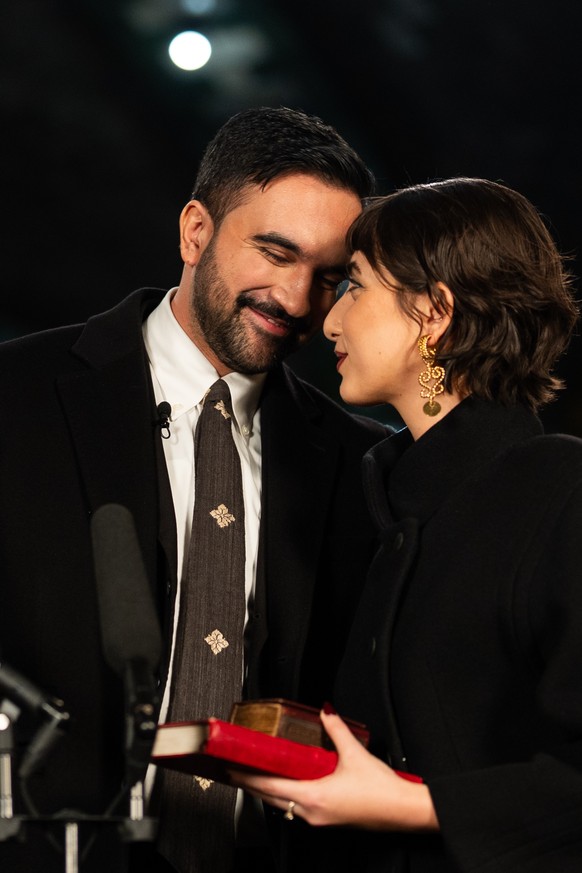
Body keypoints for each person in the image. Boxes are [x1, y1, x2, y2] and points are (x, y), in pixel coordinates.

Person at [0, 107, 387, 873]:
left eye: (328, 276)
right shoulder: (16, 396)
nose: (296, 298)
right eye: (275, 252)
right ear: (196, 232)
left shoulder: (361, 463)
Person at [229, 177, 582, 872]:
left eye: (354, 286)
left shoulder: (559, 490)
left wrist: (414, 805)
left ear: (434, 312)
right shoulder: (382, 501)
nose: (328, 320)